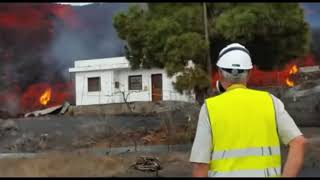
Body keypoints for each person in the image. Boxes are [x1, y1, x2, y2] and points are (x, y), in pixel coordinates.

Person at [189, 43, 307, 177]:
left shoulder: (210, 108)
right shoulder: (271, 102)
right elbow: (299, 142)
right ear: (249, 73)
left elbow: (200, 165)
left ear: (220, 73)